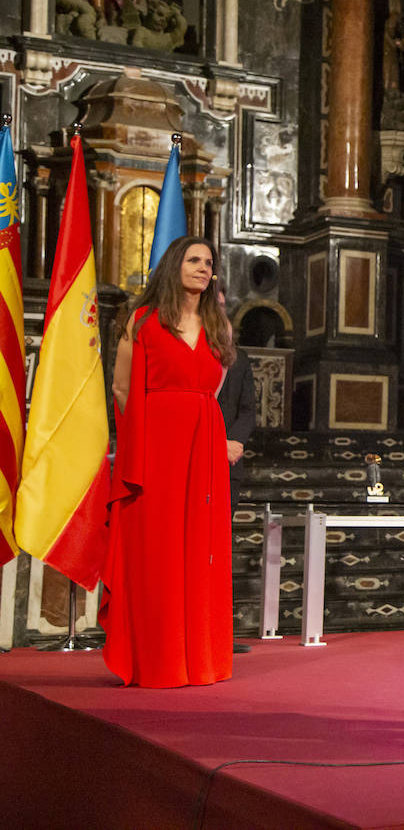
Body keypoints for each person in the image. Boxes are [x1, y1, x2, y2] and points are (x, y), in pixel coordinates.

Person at [100, 236, 235, 687]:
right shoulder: (142, 321)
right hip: (155, 448)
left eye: (208, 262)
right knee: (156, 552)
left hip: (204, 446)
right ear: (175, 264)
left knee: (201, 551)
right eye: (194, 259)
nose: (202, 267)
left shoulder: (220, 327)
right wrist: (145, 439)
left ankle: (199, 659)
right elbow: (121, 388)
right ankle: (157, 660)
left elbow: (213, 391)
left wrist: (200, 423)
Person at [216, 290, 256, 655]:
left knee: (218, 549)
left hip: (228, 463)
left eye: (223, 305)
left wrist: (236, 441)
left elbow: (247, 410)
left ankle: (217, 632)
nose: (219, 311)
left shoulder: (239, 361)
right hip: (191, 458)